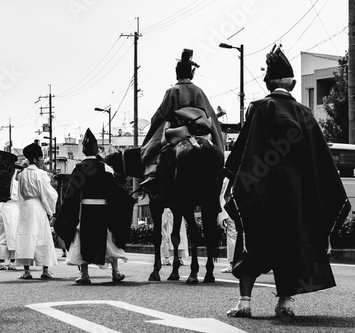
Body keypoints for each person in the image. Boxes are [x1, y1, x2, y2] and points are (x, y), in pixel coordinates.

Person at [223, 45, 351, 320]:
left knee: (255, 241)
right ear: (292, 84)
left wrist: (234, 185)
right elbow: (319, 161)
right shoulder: (305, 114)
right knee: (293, 244)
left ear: (268, 82)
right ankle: (285, 303)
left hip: (263, 190)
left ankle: (245, 303)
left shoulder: (258, 108)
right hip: (296, 196)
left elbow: (246, 150)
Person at [54, 129, 135, 284]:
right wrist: (128, 200)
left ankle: (85, 275)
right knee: (109, 239)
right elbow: (115, 191)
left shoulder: (79, 168)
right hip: (103, 211)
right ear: (96, 149)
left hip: (85, 211)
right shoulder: (105, 168)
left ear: (83, 150)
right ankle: (115, 272)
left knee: (81, 238)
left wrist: (66, 212)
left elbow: (72, 194)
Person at [139, 48, 224, 191]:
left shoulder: (171, 91)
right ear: (191, 74)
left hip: (179, 133)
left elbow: (160, 116)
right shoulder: (199, 91)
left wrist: (155, 130)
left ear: (177, 73)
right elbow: (211, 117)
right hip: (201, 133)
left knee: (160, 151)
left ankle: (152, 174)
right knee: (214, 154)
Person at [15, 142, 58, 279]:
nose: (42, 160)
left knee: (26, 236)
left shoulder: (22, 174)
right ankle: (45, 270)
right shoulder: (41, 174)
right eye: (41, 158)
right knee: (42, 236)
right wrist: (50, 211)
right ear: (34, 159)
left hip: (26, 207)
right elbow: (46, 194)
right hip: (38, 206)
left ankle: (26, 271)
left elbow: (21, 194)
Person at [0, 171, 21, 271]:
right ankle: (12, 262)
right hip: (15, 209)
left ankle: (2, 262)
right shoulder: (17, 184)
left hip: (3, 207)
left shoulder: (0, 185)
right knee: (14, 235)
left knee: (1, 236)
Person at [217, 177, 236, 273]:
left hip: (230, 207)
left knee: (232, 235)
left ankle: (233, 263)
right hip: (235, 207)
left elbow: (224, 195)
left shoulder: (228, 178)